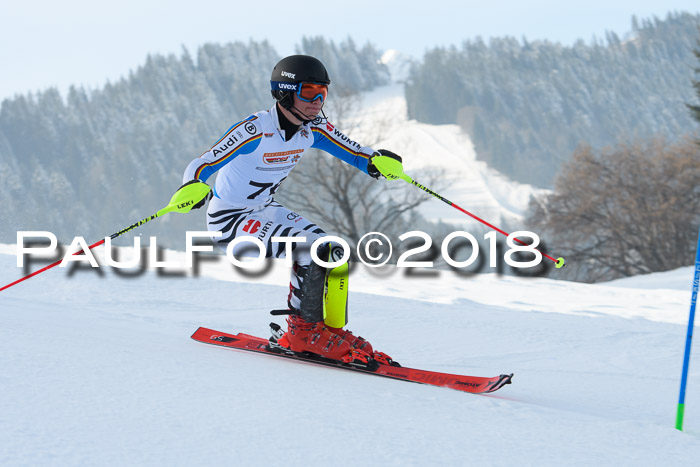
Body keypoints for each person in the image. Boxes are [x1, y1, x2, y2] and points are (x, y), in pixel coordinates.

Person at [180, 55, 402, 364]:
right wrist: (192, 185)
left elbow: (354, 151)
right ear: (285, 92)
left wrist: (376, 162)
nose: (317, 101)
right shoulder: (255, 129)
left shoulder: (313, 128)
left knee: (331, 250)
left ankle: (326, 331)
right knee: (311, 251)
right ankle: (303, 335)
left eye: (323, 92)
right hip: (229, 221)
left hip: (263, 209)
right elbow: (202, 163)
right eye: (309, 92)